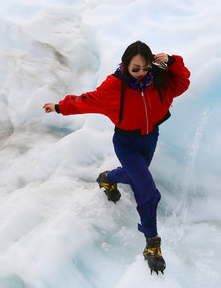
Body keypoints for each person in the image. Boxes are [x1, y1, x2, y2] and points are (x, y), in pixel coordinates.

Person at [43, 41, 190, 274]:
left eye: (145, 68)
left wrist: (172, 62)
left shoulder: (159, 81)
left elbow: (182, 82)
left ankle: (108, 177)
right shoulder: (115, 86)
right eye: (135, 69)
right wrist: (60, 106)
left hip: (150, 138)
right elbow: (87, 101)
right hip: (126, 143)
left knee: (135, 179)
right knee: (148, 192)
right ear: (125, 65)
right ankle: (152, 244)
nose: (141, 73)